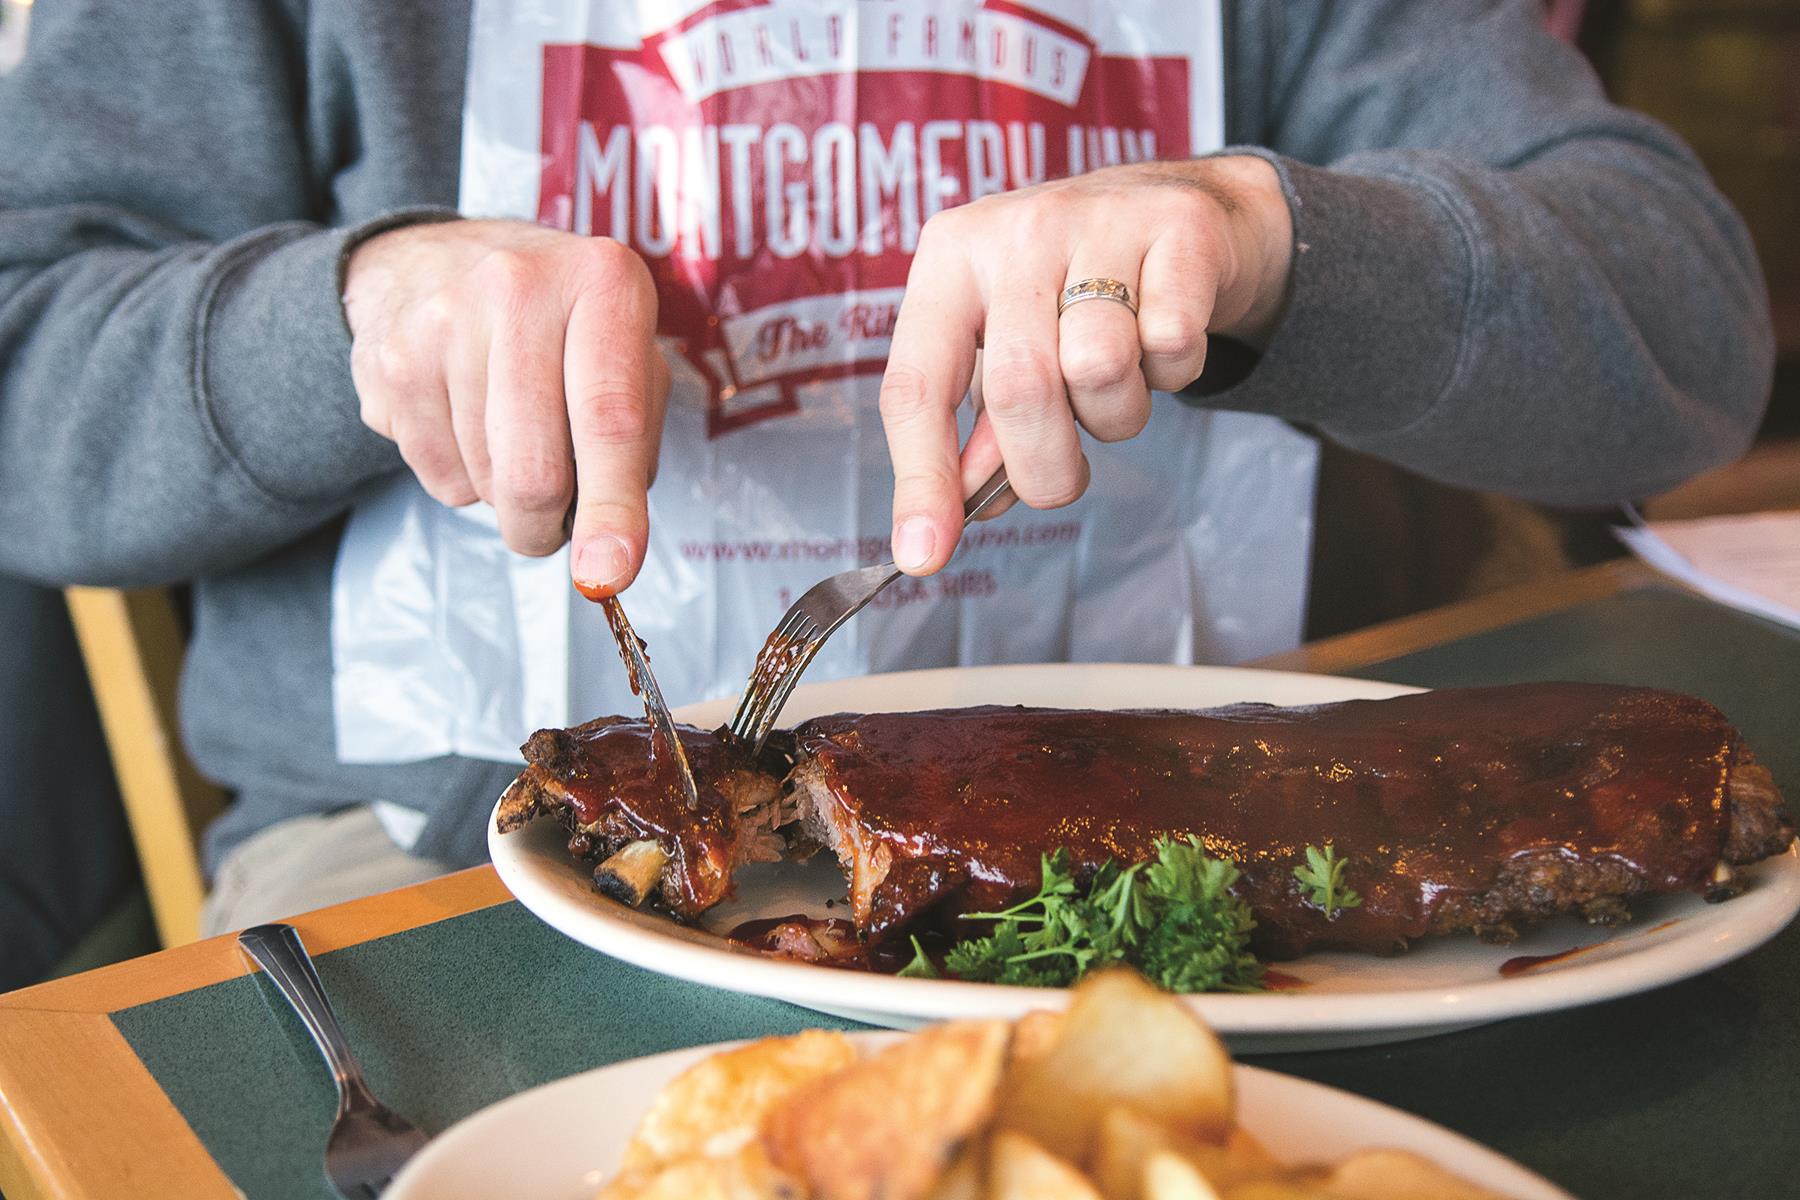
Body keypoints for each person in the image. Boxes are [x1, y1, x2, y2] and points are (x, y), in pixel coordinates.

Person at [0, 1, 1771, 935]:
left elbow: (1686, 342)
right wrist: (341, 319)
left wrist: (1274, 236)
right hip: (455, 860)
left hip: (1246, 826)